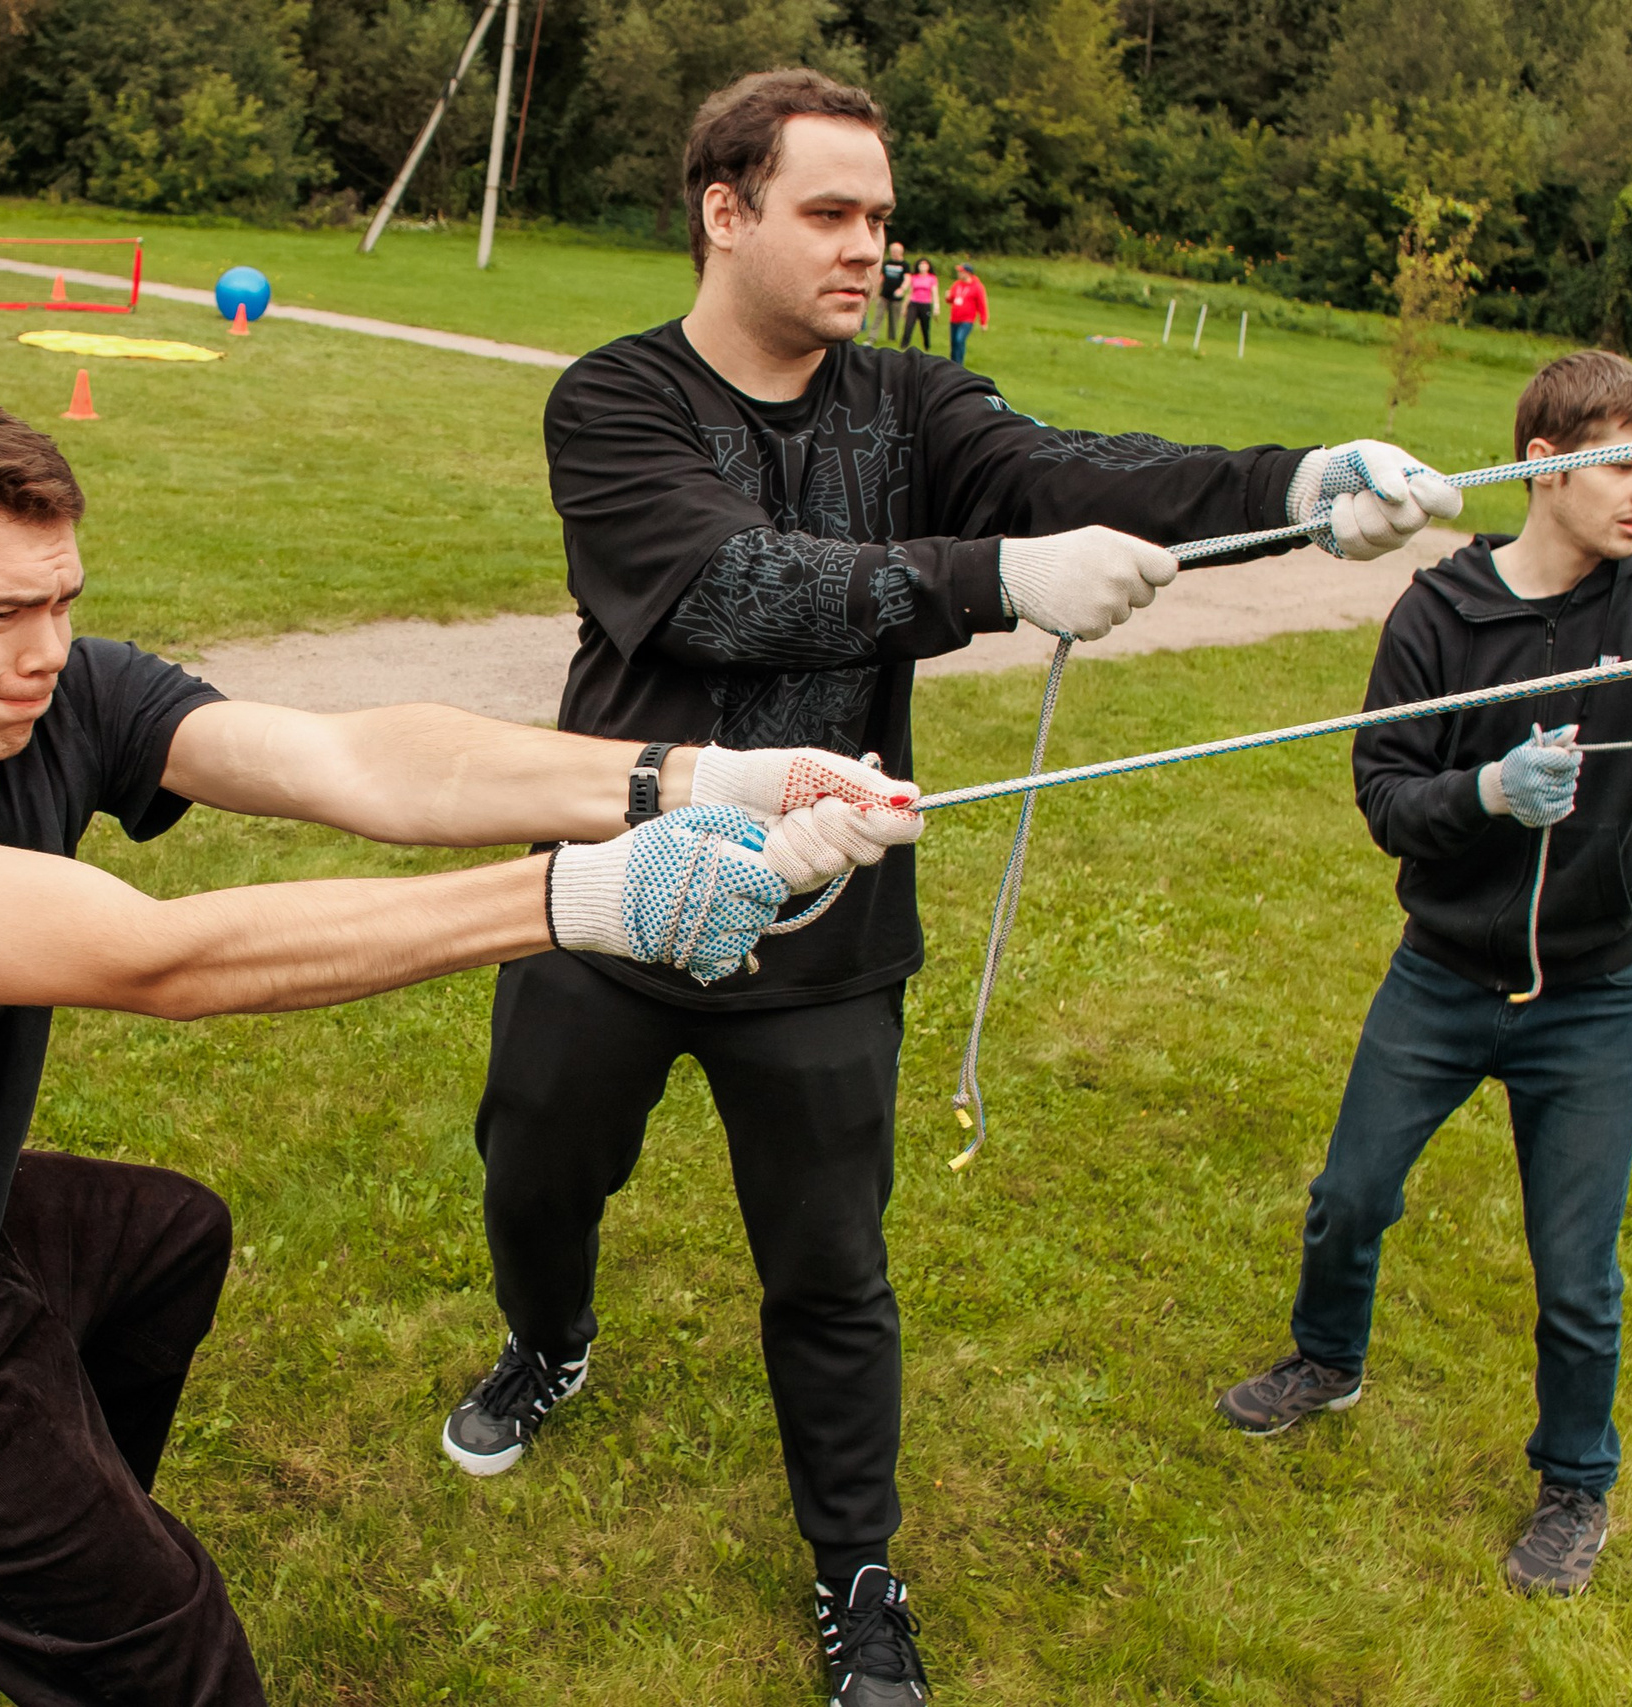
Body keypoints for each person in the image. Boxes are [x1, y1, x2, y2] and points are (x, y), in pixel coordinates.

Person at [0, 382, 922, 1707]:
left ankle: (56, 1553)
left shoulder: (56, 699)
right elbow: (155, 956)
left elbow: (357, 763)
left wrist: (698, 777)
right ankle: (81, 1590)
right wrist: (587, 895)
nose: (47, 647)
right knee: (173, 1640)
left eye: (63, 599)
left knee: (165, 1240)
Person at [433, 67, 1461, 1707]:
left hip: (832, 929)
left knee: (834, 1272)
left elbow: (1081, 468)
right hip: (613, 897)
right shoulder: (613, 401)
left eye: (882, 220)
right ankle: (549, 1337)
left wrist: (1288, 487)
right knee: (534, 1176)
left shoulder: (914, 403)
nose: (869, 249)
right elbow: (723, 586)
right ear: (727, 210)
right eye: (831, 213)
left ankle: (856, 1577)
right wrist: (991, 583)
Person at [1215, 351, 1632, 1598]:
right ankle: (1324, 1360)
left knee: (1578, 1272)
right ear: (1541, 460)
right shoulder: (1438, 615)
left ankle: (1576, 1483)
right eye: (1628, 462)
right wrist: (1486, 793)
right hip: (1443, 976)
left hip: (1595, 996)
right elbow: (1384, 796)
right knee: (1349, 1198)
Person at [946, 260, 988, 364]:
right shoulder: (956, 284)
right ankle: (952, 363)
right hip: (954, 318)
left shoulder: (977, 287)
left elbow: (982, 305)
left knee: (959, 339)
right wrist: (948, 297)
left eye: (961, 271)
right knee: (953, 342)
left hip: (967, 319)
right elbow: (952, 300)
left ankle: (959, 363)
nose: (959, 273)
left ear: (968, 273)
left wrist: (983, 322)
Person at [901, 255, 938, 350]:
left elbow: (935, 293)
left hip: (925, 304)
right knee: (908, 325)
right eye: (921, 264)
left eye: (925, 264)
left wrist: (936, 307)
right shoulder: (914, 277)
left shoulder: (932, 278)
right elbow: (910, 292)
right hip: (914, 303)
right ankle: (903, 345)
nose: (923, 266)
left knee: (925, 327)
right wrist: (905, 307)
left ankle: (927, 346)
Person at [874, 239, 908, 344]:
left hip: (896, 297)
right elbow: (881, 277)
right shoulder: (887, 263)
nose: (894, 253)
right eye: (892, 251)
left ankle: (891, 339)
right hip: (884, 295)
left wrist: (901, 289)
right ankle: (872, 337)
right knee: (878, 317)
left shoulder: (904, 265)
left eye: (896, 251)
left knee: (894, 319)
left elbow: (907, 279)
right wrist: (876, 290)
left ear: (901, 252)